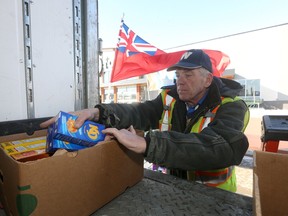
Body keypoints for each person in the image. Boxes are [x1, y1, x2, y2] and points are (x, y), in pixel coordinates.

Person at [40, 49, 250, 192]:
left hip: (216, 197)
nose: (180, 81)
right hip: (176, 187)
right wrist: (98, 113)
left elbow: (221, 147)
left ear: (208, 79)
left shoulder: (231, 106)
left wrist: (148, 143)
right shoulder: (170, 99)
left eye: (188, 75)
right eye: (178, 75)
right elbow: (138, 112)